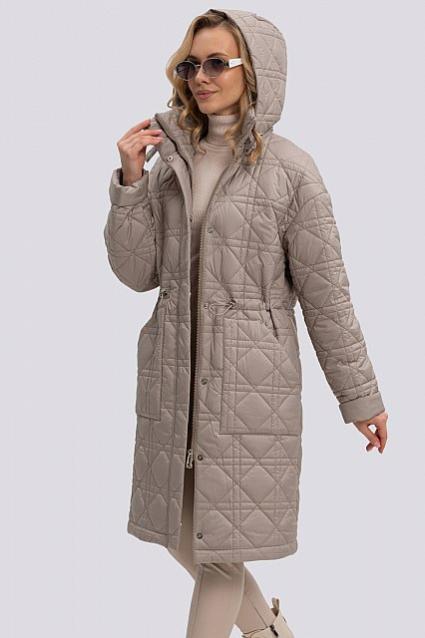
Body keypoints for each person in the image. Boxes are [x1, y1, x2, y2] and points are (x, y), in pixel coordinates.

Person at [103, 8, 388, 638]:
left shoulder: (291, 170)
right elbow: (136, 271)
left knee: (219, 553)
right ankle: (272, 633)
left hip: (249, 386)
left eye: (217, 63)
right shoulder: (171, 161)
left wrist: (360, 396)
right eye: (190, 64)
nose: (201, 77)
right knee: (185, 531)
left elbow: (327, 294)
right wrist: (130, 183)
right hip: (174, 380)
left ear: (255, 69)